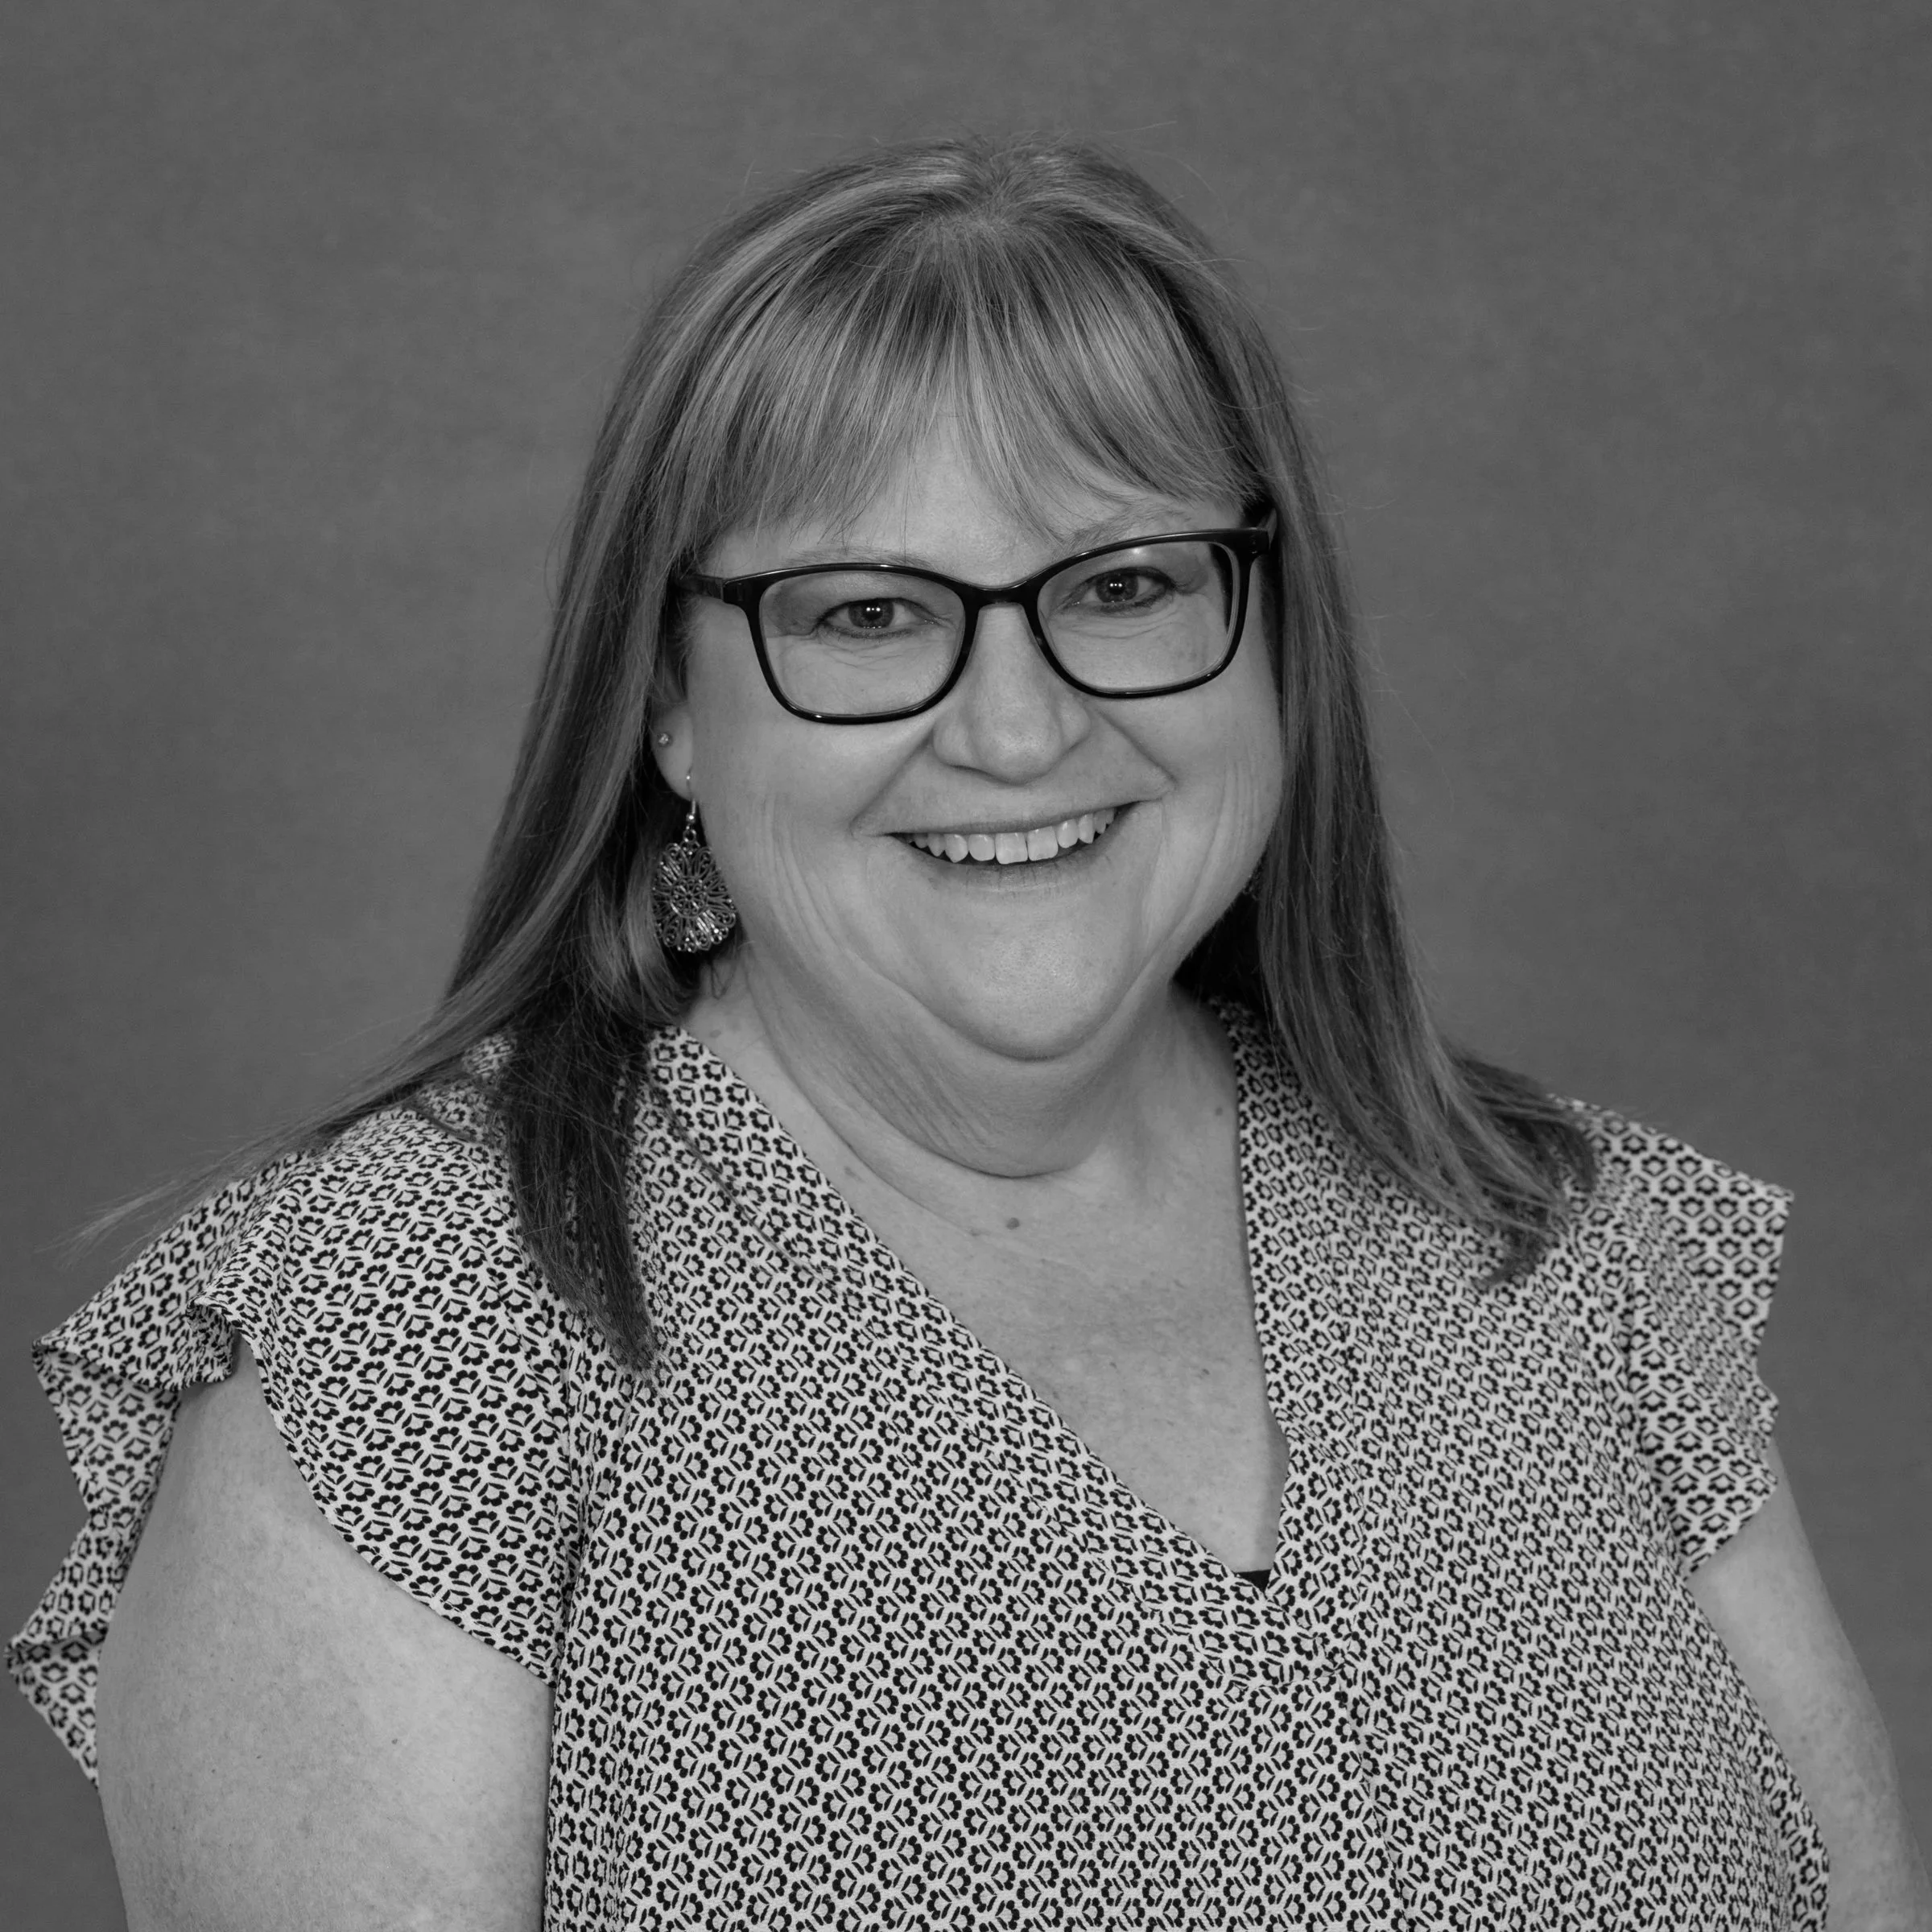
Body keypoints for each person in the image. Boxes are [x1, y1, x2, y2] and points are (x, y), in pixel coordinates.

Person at [9, 135, 1926, 1932]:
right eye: (863, 614)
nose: (1016, 730)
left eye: (1122, 584)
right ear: (668, 706)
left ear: (1271, 643)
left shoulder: (1556, 1240)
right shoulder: (425, 1322)